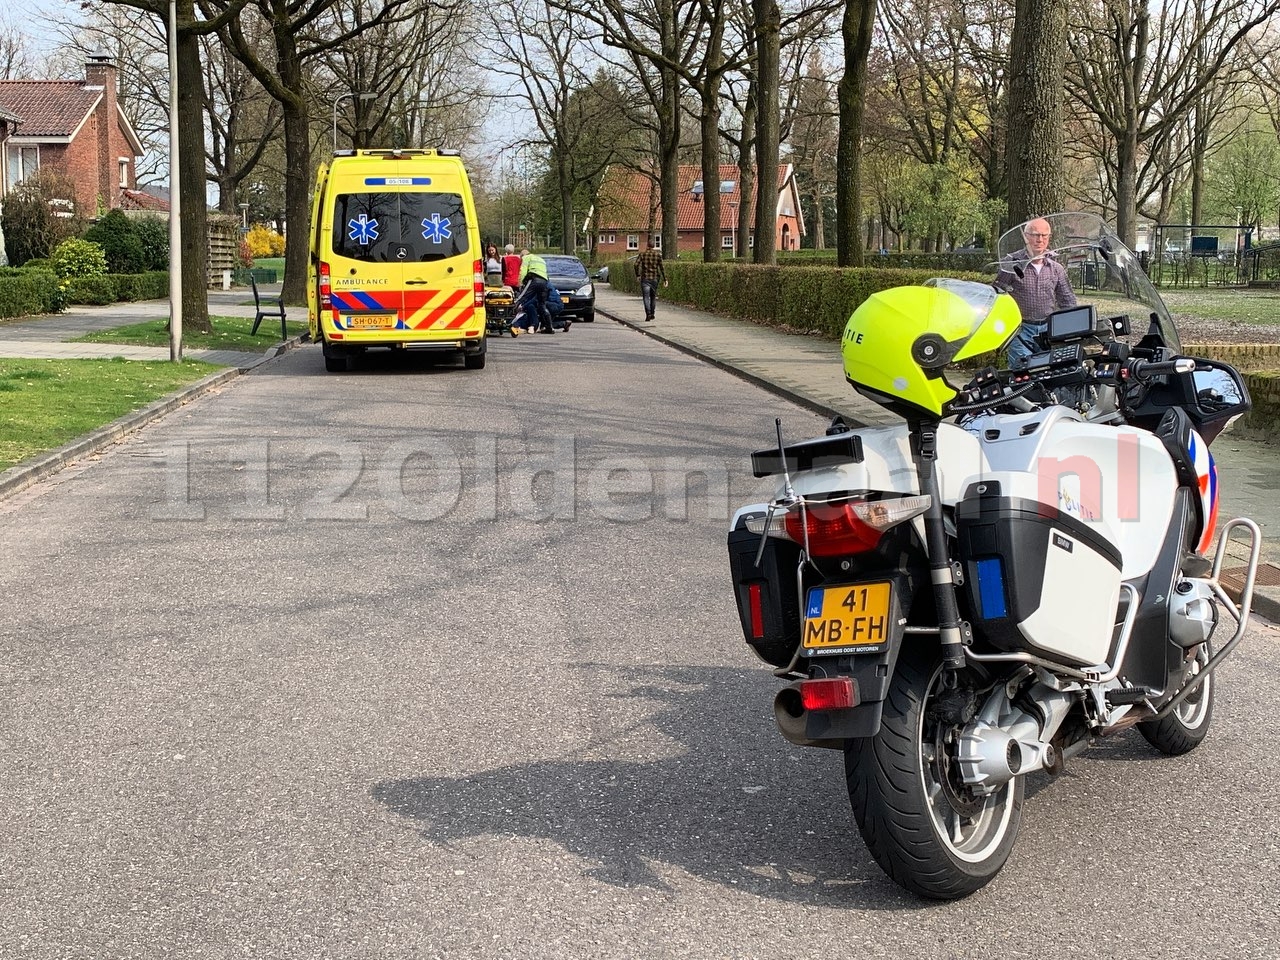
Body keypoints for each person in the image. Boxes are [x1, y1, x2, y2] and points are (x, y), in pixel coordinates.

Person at [997, 217, 1078, 368]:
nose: (1039, 239)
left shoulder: (1056, 268)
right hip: (1020, 330)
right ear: (1026, 236)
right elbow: (997, 294)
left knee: (1047, 372)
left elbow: (1068, 301)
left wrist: (1071, 330)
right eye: (1035, 235)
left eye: (1044, 235)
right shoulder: (1011, 263)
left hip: (1048, 331)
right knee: (1021, 372)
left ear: (1048, 238)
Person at [516, 249, 556, 334]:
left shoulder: (526, 258)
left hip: (534, 279)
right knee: (542, 304)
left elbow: (523, 271)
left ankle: (511, 320)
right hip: (544, 282)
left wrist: (520, 283)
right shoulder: (541, 259)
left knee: (521, 298)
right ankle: (549, 327)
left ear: (522, 255)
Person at [633, 237, 667, 322]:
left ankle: (648, 313)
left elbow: (636, 264)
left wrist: (637, 274)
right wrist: (665, 279)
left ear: (647, 245)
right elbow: (662, 268)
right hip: (654, 278)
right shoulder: (658, 255)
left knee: (645, 297)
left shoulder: (642, 254)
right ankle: (652, 313)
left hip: (645, 278)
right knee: (653, 297)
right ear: (654, 246)